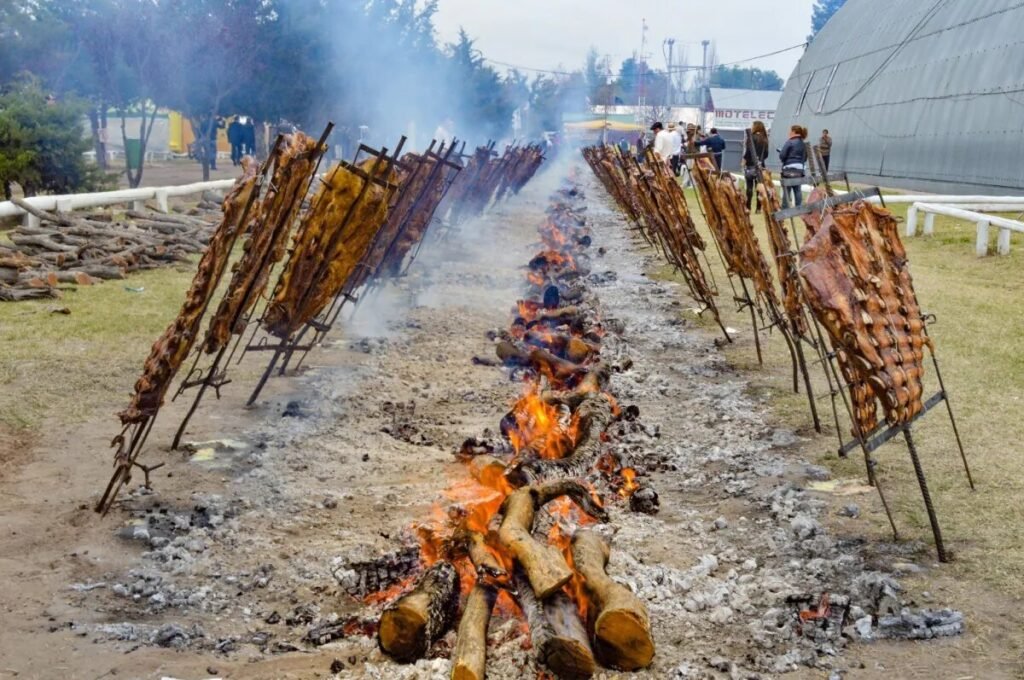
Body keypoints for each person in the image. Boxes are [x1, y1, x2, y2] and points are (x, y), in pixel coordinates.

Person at [778, 124, 807, 209]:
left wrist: (782, 155)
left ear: (793, 132)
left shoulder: (789, 142)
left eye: (790, 131)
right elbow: (805, 158)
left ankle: (785, 208)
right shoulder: (803, 143)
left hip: (788, 168)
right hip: (800, 169)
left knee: (787, 189)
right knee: (797, 189)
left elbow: (782, 155)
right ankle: (799, 208)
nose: (789, 132)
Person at [743, 120, 769, 211]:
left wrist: (744, 161)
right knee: (759, 187)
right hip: (761, 166)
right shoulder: (765, 139)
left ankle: (748, 206)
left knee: (749, 187)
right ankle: (758, 208)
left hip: (750, 165)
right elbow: (766, 154)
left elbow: (748, 152)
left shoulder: (751, 138)